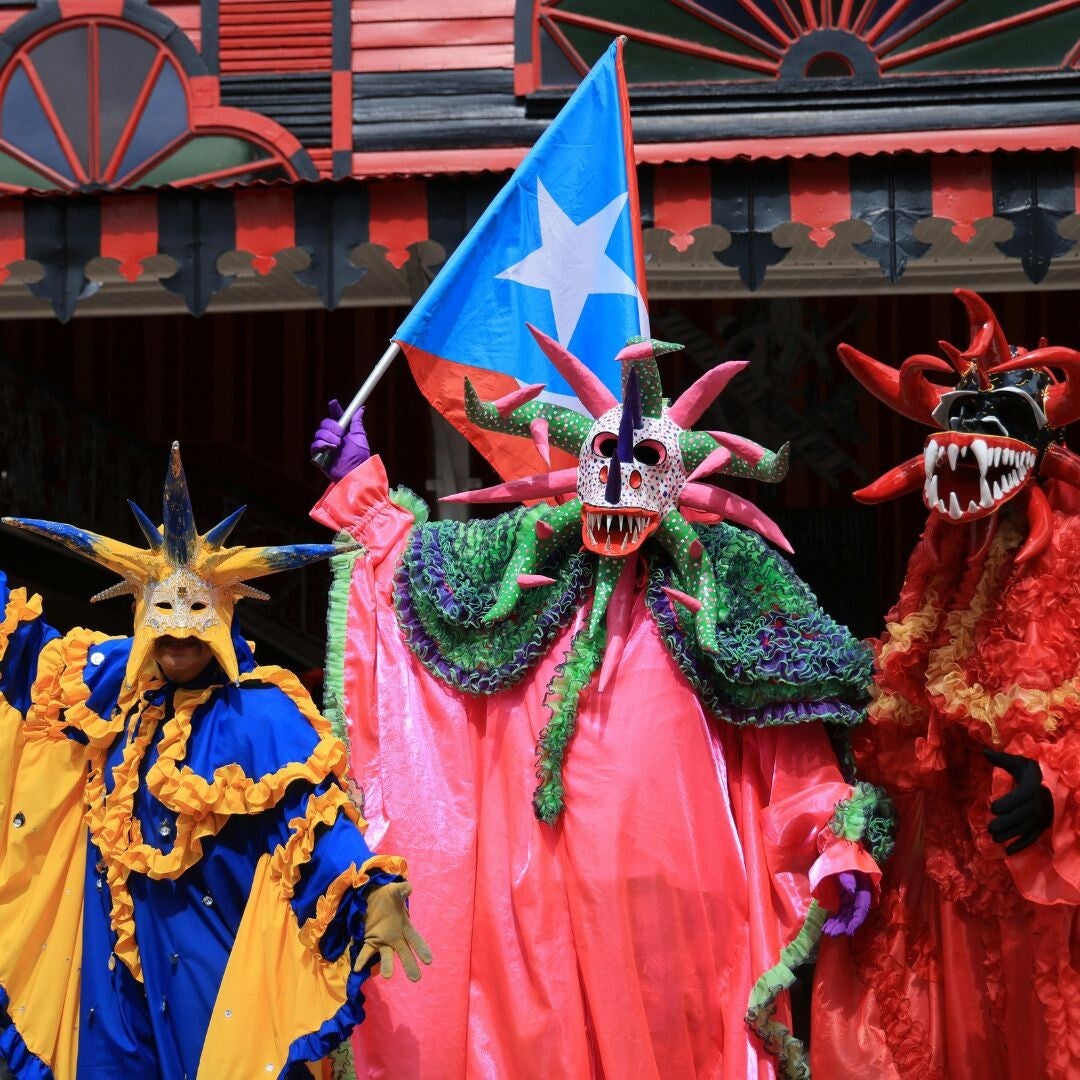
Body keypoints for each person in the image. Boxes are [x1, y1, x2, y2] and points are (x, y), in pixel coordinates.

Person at [311, 327, 888, 1079]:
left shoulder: (728, 589)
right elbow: (415, 582)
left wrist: (835, 842)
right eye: (604, 459)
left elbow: (791, 738)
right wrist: (361, 493)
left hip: (674, 909)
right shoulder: (524, 568)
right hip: (532, 907)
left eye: (642, 461)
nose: (618, 482)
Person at [0, 443, 430, 1080]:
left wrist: (368, 890)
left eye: (197, 613)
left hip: (208, 969)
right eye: (164, 615)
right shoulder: (108, 683)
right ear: (139, 613)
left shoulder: (261, 717)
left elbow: (316, 824)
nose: (179, 631)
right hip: (109, 985)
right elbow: (22, 653)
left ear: (224, 615)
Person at [812, 290, 1080, 1079]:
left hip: (1038, 866)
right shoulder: (940, 561)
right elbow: (907, 698)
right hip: (942, 857)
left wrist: (1062, 789)